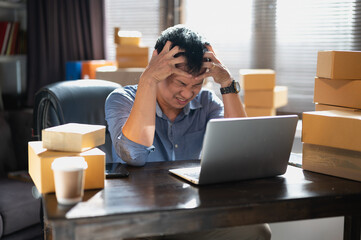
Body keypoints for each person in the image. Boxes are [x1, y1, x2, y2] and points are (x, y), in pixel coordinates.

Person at [105, 25, 271, 240]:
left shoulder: (206, 103)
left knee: (255, 231)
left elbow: (243, 149)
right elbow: (134, 155)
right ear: (158, 68)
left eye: (197, 85)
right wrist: (148, 79)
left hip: (188, 214)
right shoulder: (121, 99)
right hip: (137, 219)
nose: (187, 93)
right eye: (181, 83)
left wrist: (227, 83)